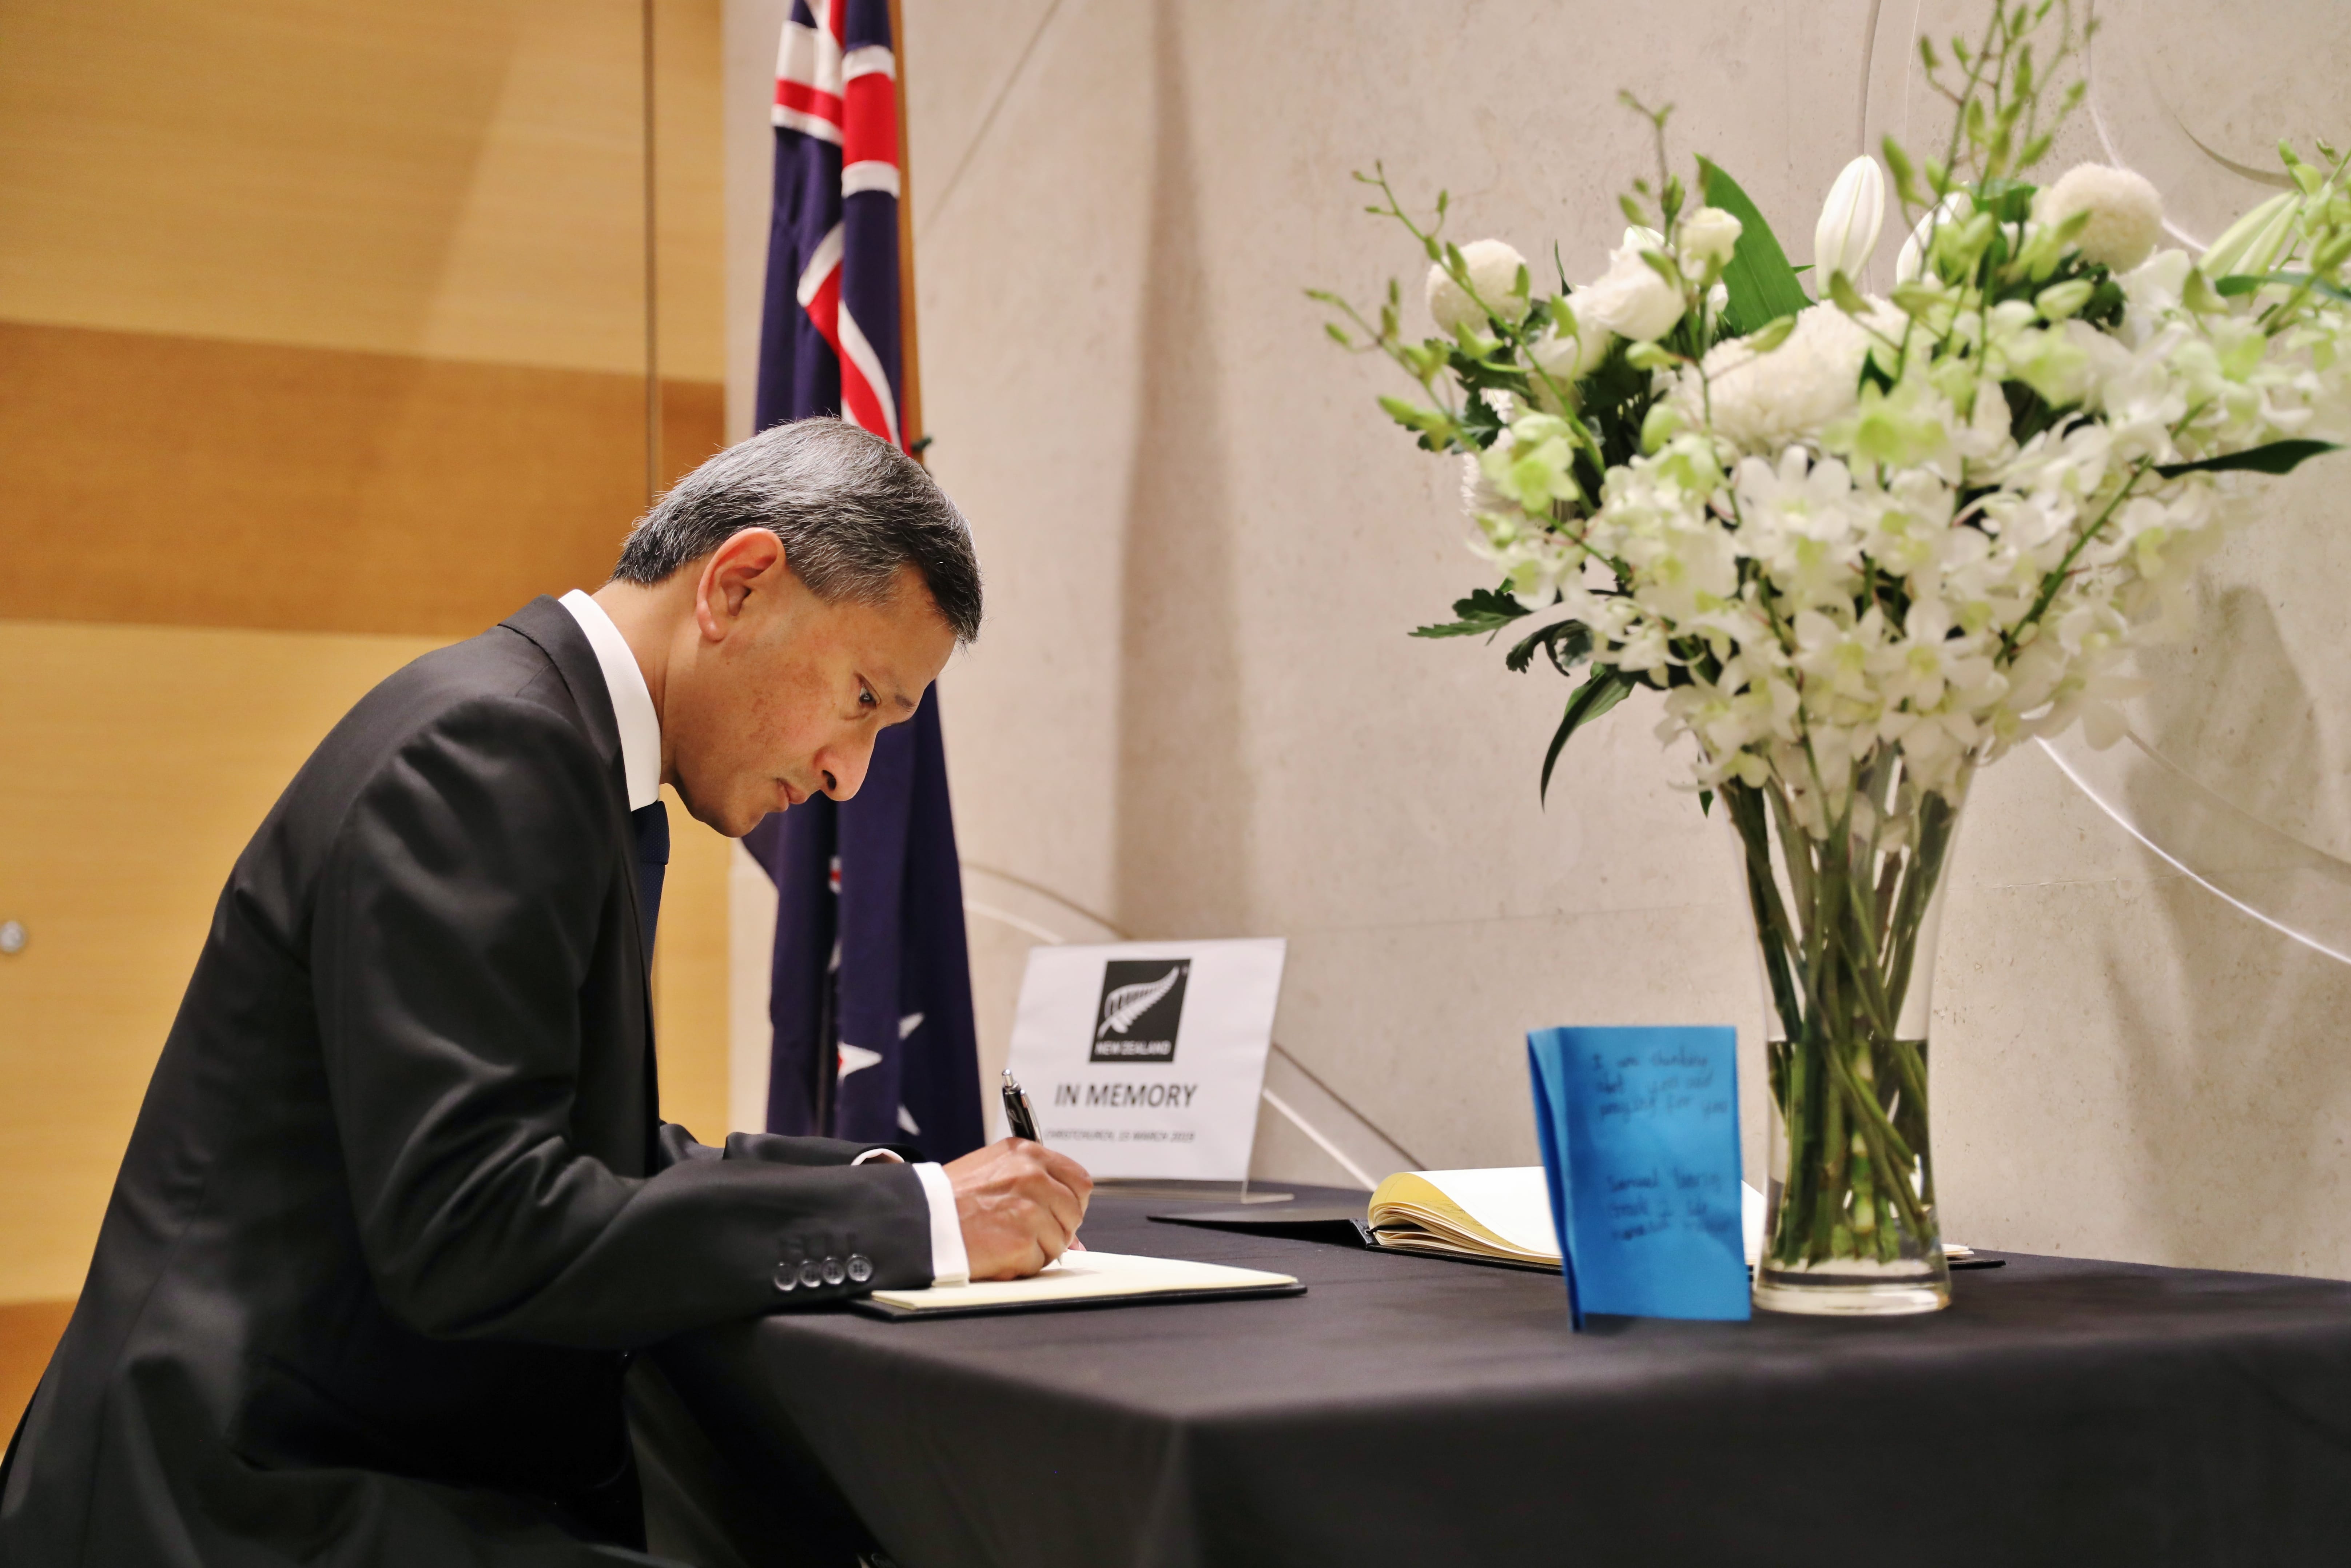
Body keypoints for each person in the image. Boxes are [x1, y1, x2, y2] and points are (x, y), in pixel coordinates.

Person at [0, 418, 1093, 1565]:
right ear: (740, 584)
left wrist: (899, 1188)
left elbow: (577, 1147)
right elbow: (475, 1223)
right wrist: (909, 1226)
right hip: (238, 1492)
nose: (848, 773)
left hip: (331, 1447)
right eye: (863, 697)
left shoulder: (551, 741)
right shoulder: (489, 750)